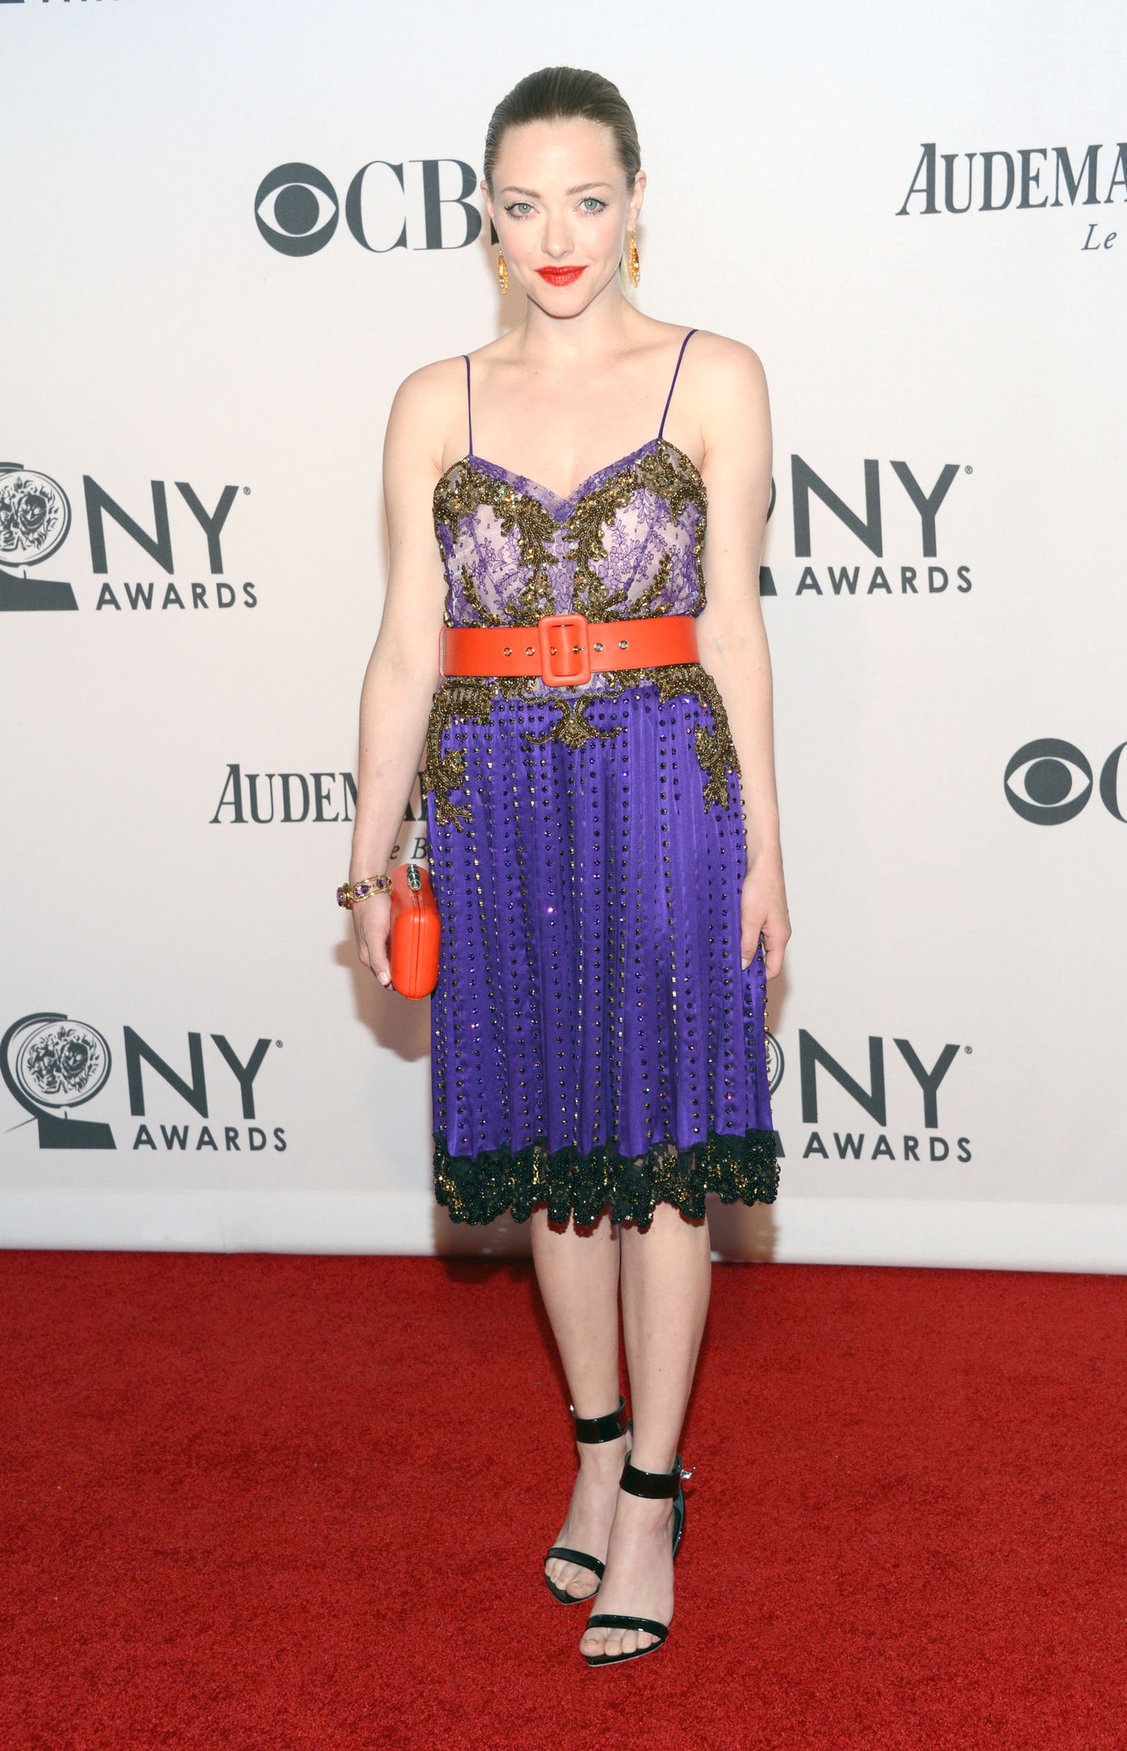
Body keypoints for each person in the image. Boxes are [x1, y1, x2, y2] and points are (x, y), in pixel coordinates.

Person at [345, 66, 790, 1666]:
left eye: (587, 200)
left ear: (637, 200)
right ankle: (595, 1455)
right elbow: (406, 651)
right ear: (483, 212)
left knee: (661, 1148)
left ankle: (659, 1492)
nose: (557, 236)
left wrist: (765, 857)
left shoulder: (714, 377)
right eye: (523, 203)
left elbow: (731, 627)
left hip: (668, 786)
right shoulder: (431, 399)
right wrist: (367, 848)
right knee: (547, 1151)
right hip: (493, 797)